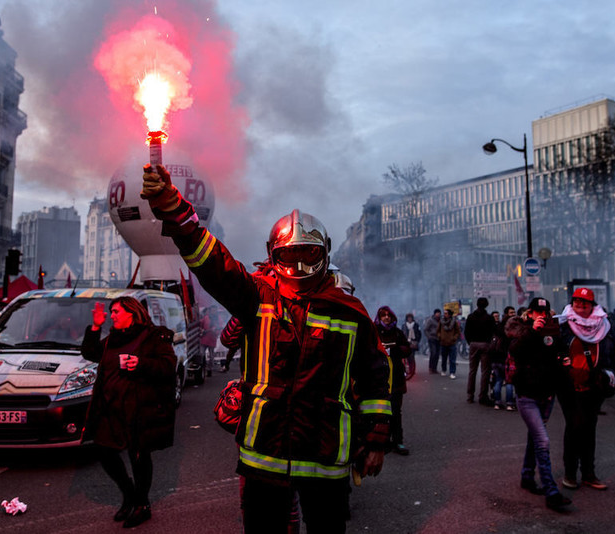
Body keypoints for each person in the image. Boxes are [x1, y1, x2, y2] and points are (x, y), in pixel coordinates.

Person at [141, 164, 392, 534]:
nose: (300, 265)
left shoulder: (347, 310)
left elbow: (375, 379)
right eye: (289, 256)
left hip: (325, 456)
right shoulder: (255, 296)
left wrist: (376, 441)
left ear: (326, 253)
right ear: (272, 255)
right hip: (264, 453)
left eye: (308, 254)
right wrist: (171, 205)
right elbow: (210, 259)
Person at [81, 296, 177, 528]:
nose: (111, 316)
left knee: (139, 456)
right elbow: (90, 353)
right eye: (111, 312)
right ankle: (129, 494)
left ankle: (142, 505)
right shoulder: (112, 339)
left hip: (138, 409)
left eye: (116, 312)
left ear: (131, 313)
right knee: (104, 452)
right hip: (109, 408)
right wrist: (95, 326)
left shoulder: (153, 336)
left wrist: (141, 364)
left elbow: (168, 365)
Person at [506, 297, 572, 511]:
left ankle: (527, 476)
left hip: (546, 394)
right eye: (537, 312)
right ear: (530, 313)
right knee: (542, 441)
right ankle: (551, 492)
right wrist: (533, 331)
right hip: (526, 395)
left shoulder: (553, 330)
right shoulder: (523, 330)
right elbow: (515, 350)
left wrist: (564, 359)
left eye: (544, 312)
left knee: (535, 437)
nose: (542, 316)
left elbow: (562, 350)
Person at [556, 287, 614, 491]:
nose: (580, 306)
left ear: (592, 305)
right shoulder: (562, 324)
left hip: (593, 384)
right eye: (577, 302)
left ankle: (589, 473)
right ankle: (570, 473)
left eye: (585, 303)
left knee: (589, 428)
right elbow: (552, 350)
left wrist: (609, 374)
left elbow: (611, 354)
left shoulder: (604, 325)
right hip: (569, 386)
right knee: (574, 426)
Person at [374, 306, 412, 456]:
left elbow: (407, 349)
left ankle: (398, 441)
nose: (386, 318)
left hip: (396, 378)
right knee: (380, 412)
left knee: (396, 411)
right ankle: (382, 442)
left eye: (389, 315)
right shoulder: (373, 332)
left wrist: (396, 349)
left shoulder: (397, 333)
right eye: (383, 315)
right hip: (379, 379)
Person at [464, 297, 495, 406]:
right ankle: (483, 396)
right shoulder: (489, 318)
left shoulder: (471, 317)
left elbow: (466, 331)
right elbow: (493, 332)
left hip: (473, 344)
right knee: (485, 372)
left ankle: (470, 395)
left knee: (472, 371)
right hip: (485, 344)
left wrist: (470, 342)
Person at [490, 306, 517, 411]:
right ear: (506, 314)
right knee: (509, 381)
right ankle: (509, 403)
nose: (513, 314)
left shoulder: (499, 326)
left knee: (498, 380)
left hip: (496, 357)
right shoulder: (512, 327)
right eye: (511, 312)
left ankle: (497, 402)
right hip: (507, 357)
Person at [437, 309, 461, 380]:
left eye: (446, 313)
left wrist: (454, 337)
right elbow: (438, 331)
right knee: (444, 358)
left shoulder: (454, 322)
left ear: (450, 314)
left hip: (452, 343)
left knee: (452, 359)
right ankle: (444, 370)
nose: (445, 315)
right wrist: (440, 336)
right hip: (443, 342)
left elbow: (457, 331)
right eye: (444, 313)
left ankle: (452, 372)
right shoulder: (441, 322)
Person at [401, 313, 421, 380]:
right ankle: (409, 368)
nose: (409, 319)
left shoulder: (416, 325)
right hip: (406, 342)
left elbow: (419, 333)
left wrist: (417, 340)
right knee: (408, 356)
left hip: (413, 342)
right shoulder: (404, 326)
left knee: (412, 356)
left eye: (410, 318)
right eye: (408, 318)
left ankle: (412, 369)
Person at [424, 309, 442, 374]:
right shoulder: (430, 320)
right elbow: (426, 329)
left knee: (437, 354)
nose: (438, 315)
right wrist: (429, 336)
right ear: (435, 314)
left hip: (439, 339)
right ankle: (431, 367)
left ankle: (435, 368)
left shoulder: (441, 321)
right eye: (437, 313)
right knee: (433, 353)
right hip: (432, 338)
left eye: (439, 313)